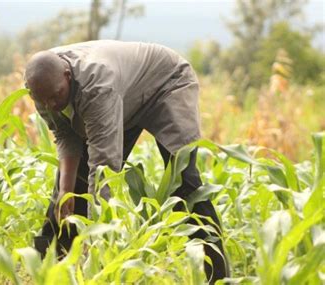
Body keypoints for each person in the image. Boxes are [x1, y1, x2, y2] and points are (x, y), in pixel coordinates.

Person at [24, 40, 229, 283]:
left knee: (184, 184)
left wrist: (96, 236)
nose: (50, 105)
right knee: (71, 187)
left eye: (56, 96)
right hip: (127, 94)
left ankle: (218, 276)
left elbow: (103, 170)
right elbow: (66, 137)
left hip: (167, 84)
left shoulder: (96, 86)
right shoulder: (44, 85)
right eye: (43, 100)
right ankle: (48, 270)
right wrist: (65, 193)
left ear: (68, 76)